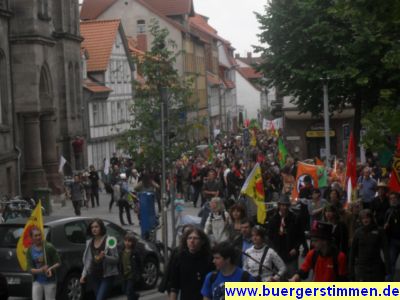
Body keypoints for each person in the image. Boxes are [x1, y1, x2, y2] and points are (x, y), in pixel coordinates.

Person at [169, 228, 214, 300]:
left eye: (196, 238)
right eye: (189, 238)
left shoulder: (210, 258)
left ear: (202, 241)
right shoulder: (179, 257)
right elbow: (174, 286)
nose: (192, 241)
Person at [80, 219, 119, 300]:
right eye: (92, 227)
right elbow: (88, 261)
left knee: (99, 298)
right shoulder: (89, 242)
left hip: (107, 275)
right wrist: (83, 275)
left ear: (101, 228)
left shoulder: (110, 240)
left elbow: (116, 259)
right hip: (94, 275)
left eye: (96, 227)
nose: (94, 229)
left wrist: (104, 257)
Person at [349, 209, 390, 281]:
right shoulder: (358, 233)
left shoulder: (380, 231)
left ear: (371, 218)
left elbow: (386, 250)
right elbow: (352, 252)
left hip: (376, 267)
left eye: (367, 218)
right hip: (362, 268)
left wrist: (387, 268)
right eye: (363, 218)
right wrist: (351, 270)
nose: (365, 220)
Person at [267, 194, 301, 278]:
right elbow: (269, 237)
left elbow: (300, 235)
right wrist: (273, 250)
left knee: (292, 278)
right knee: (278, 278)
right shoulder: (273, 219)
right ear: (279, 206)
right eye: (282, 205)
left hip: (291, 254)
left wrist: (296, 248)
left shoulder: (294, 218)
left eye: (286, 205)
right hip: (277, 254)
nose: (284, 207)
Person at [26, 227, 61, 300]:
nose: (38, 237)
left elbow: (58, 262)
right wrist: (41, 270)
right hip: (37, 281)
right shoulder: (30, 250)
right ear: (31, 238)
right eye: (36, 236)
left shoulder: (48, 247)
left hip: (50, 281)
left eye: (39, 235)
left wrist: (50, 268)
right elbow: (29, 269)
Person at [119, 233, 141, 300]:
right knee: (124, 290)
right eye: (126, 241)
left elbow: (139, 263)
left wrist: (139, 273)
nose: (127, 243)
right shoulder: (121, 251)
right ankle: (135, 296)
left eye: (129, 241)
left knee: (128, 291)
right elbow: (119, 262)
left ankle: (132, 297)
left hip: (132, 275)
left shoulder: (135, 252)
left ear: (133, 242)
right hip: (124, 274)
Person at [384, 192, 400, 280]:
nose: (393, 200)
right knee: (391, 262)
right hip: (393, 241)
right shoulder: (389, 212)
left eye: (394, 198)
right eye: (391, 198)